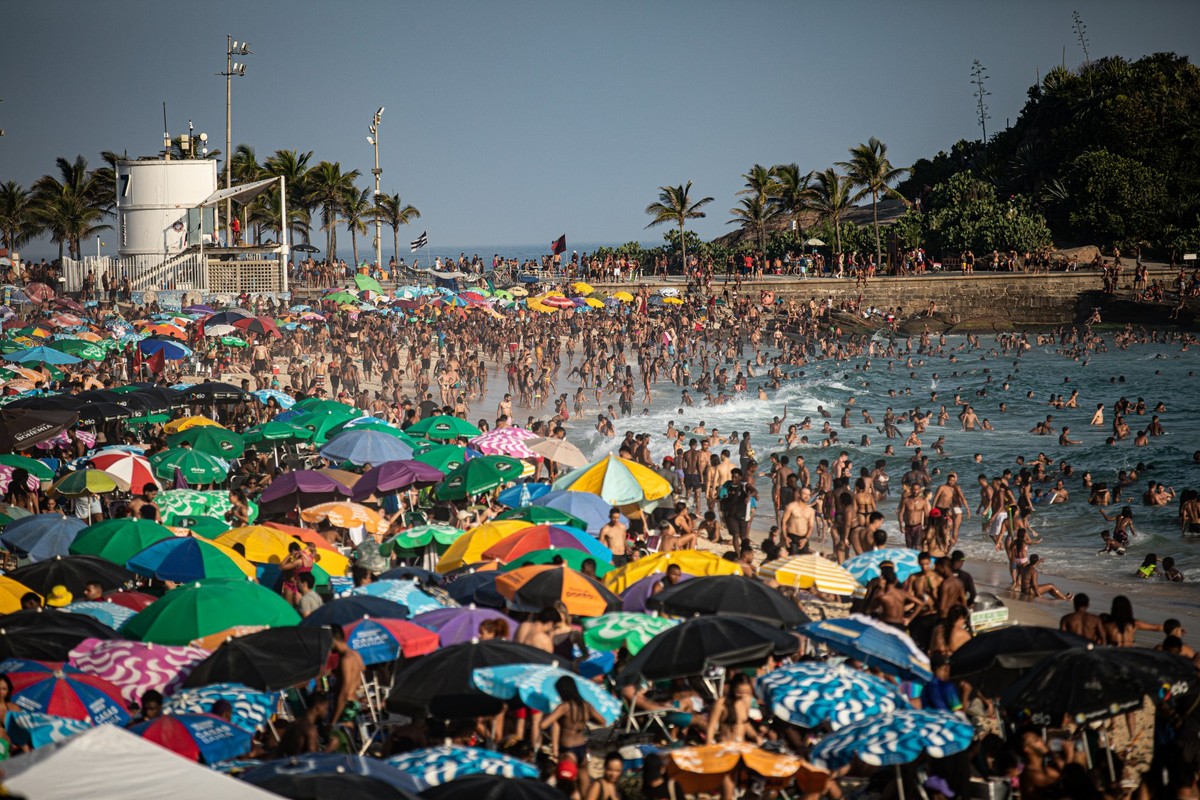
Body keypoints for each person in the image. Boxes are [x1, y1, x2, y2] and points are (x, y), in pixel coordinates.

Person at [540, 677, 607, 798]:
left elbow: (543, 724)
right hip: (582, 748)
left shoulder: (564, 707)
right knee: (585, 786)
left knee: (567, 787)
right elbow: (602, 721)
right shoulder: (586, 705)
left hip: (568, 750)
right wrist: (584, 721)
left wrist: (556, 717)